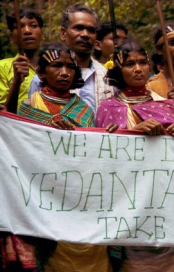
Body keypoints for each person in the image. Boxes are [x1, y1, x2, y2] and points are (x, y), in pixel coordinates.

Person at [96, 40, 174, 272]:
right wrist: (131, 135)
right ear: (118, 70)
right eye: (130, 64)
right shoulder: (107, 108)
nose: (138, 68)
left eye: (142, 62)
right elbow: (102, 160)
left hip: (169, 211)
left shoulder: (166, 105)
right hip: (130, 211)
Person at [17, 43, 110, 272]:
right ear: (41, 73)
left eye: (70, 67)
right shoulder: (28, 107)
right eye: (57, 66)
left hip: (82, 201)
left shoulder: (85, 111)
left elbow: (92, 156)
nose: (65, 72)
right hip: (44, 200)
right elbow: (21, 152)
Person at [28, 4, 113, 114]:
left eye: (91, 30)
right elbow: (32, 122)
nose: (85, 34)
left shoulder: (109, 78)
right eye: (79, 28)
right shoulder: (41, 79)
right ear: (63, 34)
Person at [0, 8, 44, 113]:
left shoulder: (55, 66)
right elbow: (3, 114)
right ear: (11, 38)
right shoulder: (2, 67)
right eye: (19, 27)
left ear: (42, 35)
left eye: (33, 26)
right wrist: (16, 81)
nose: (27, 31)